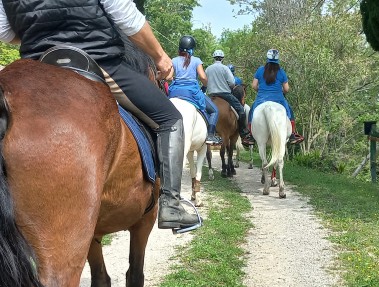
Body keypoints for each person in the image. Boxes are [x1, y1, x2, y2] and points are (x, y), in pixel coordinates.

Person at [0, 0, 201, 232]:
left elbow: (5, 31)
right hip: (98, 60)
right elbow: (126, 16)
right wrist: (159, 56)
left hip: (37, 63)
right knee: (170, 119)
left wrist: (40, 32)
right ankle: (171, 206)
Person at [169, 35, 221, 145]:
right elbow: (203, 77)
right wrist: (205, 85)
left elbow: (168, 77)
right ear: (192, 49)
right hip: (191, 92)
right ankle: (211, 135)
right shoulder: (196, 60)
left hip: (174, 92)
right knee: (214, 111)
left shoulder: (173, 60)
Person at [250, 49, 304, 145]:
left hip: (261, 99)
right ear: (277, 59)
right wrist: (280, 91)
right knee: (289, 112)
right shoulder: (281, 72)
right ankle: (292, 134)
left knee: (252, 112)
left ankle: (250, 134)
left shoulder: (260, 70)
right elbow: (286, 89)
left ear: (267, 58)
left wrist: (261, 91)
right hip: (278, 99)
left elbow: (254, 86)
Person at [205, 50, 254, 146]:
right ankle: (244, 133)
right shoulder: (225, 68)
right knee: (241, 110)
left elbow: (205, 81)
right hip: (225, 94)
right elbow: (232, 83)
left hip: (211, 96)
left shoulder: (208, 69)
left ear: (214, 58)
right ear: (222, 58)